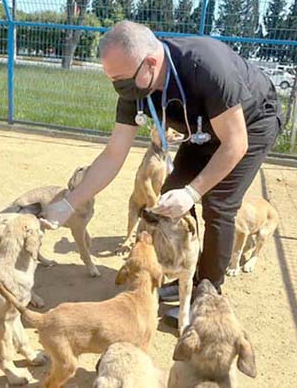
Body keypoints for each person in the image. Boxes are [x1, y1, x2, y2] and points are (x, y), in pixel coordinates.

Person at [43, 20, 282, 319]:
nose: (119, 88)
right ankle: (182, 272)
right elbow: (113, 154)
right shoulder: (135, 87)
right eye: (113, 80)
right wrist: (69, 203)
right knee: (170, 194)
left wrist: (193, 192)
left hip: (250, 123)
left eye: (122, 79)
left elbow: (235, 144)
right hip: (203, 130)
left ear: (151, 63)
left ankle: (206, 295)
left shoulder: (206, 66)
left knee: (218, 204)